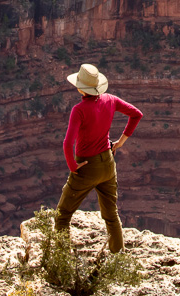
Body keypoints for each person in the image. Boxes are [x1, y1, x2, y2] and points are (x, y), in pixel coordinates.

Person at [55, 62, 142, 253]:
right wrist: (120, 142)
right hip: (108, 164)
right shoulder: (110, 99)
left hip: (86, 167)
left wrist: (72, 166)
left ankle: (61, 261)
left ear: (80, 87)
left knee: (63, 215)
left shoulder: (79, 110)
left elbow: (67, 143)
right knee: (111, 216)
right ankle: (118, 258)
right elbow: (136, 114)